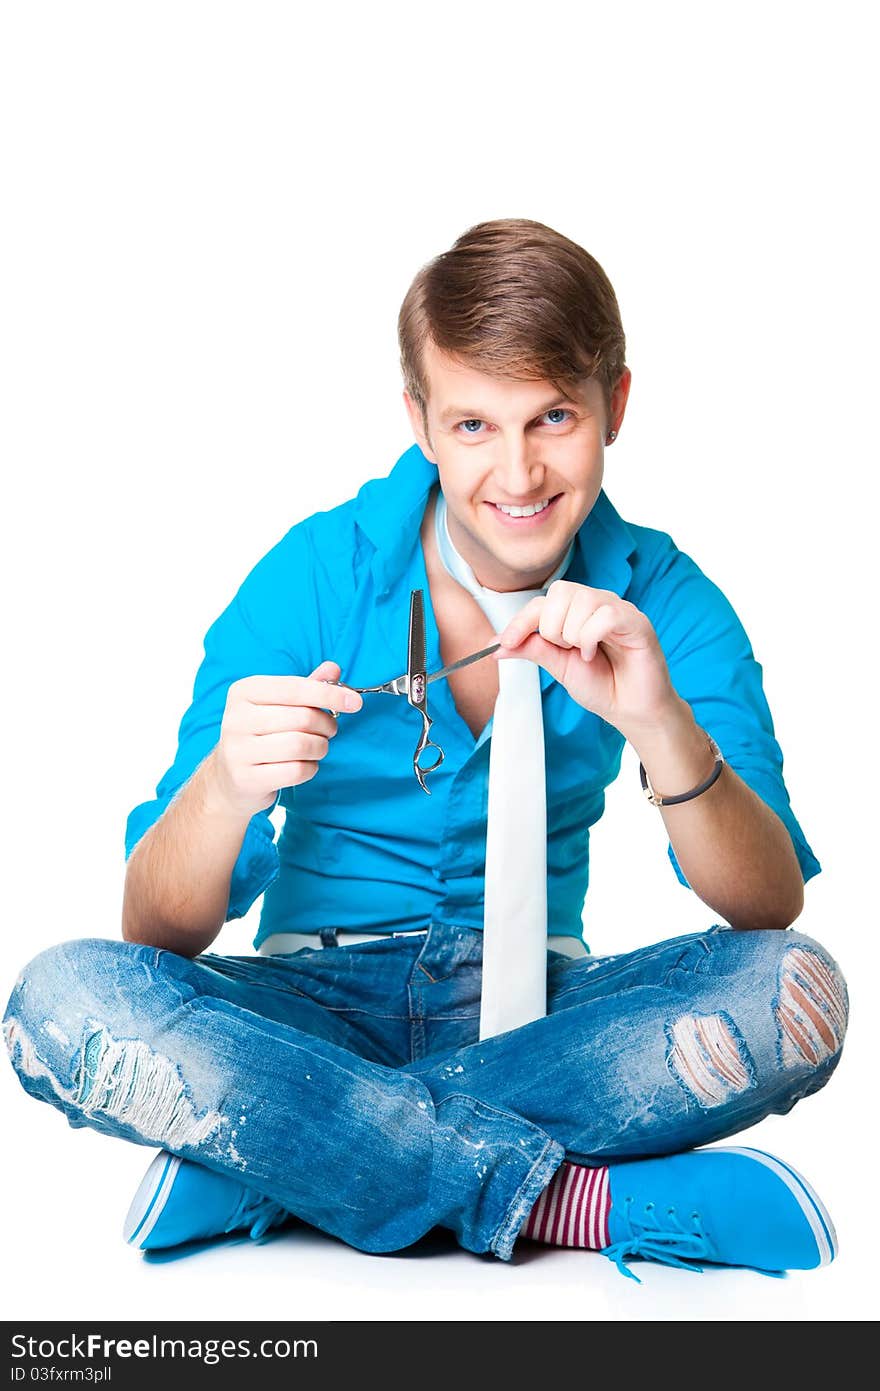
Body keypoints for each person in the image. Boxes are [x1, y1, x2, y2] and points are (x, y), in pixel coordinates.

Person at [3, 218, 848, 1282]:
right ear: (420, 424)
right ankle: (570, 1193)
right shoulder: (317, 571)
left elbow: (764, 904)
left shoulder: (667, 599)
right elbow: (153, 928)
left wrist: (660, 722)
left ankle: (286, 1157)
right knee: (63, 997)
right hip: (310, 1005)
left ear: (614, 408)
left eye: (552, 416)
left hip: (545, 1014)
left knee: (794, 990)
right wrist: (224, 788)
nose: (519, 470)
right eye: (472, 425)